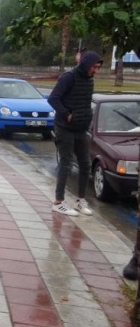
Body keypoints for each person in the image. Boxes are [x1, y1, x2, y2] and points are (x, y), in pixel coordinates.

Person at [47, 51, 103, 216]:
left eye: (98, 67)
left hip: (81, 128)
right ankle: (58, 201)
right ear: (86, 64)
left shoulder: (89, 80)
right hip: (64, 127)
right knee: (66, 163)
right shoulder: (69, 77)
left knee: (85, 165)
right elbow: (53, 98)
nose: (96, 70)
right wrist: (67, 114)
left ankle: (80, 200)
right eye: (94, 67)